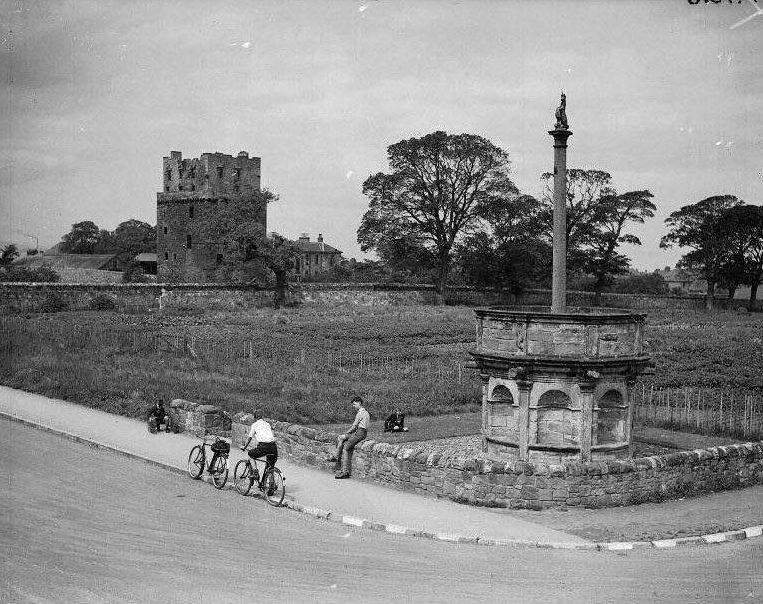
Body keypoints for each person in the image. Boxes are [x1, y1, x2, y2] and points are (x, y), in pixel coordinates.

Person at [328, 396, 369, 479]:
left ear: (359, 403)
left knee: (346, 448)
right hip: (360, 432)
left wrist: (347, 432)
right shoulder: (366, 412)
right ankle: (336, 456)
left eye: (354, 404)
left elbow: (354, 427)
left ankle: (345, 472)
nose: (353, 406)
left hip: (359, 433)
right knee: (340, 437)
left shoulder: (360, 413)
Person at [240, 410, 278, 492]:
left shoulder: (254, 425)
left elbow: (250, 438)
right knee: (270, 467)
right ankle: (271, 486)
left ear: (255, 417)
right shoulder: (267, 424)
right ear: (262, 417)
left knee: (250, 454)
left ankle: (255, 473)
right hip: (273, 447)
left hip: (264, 446)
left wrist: (244, 447)